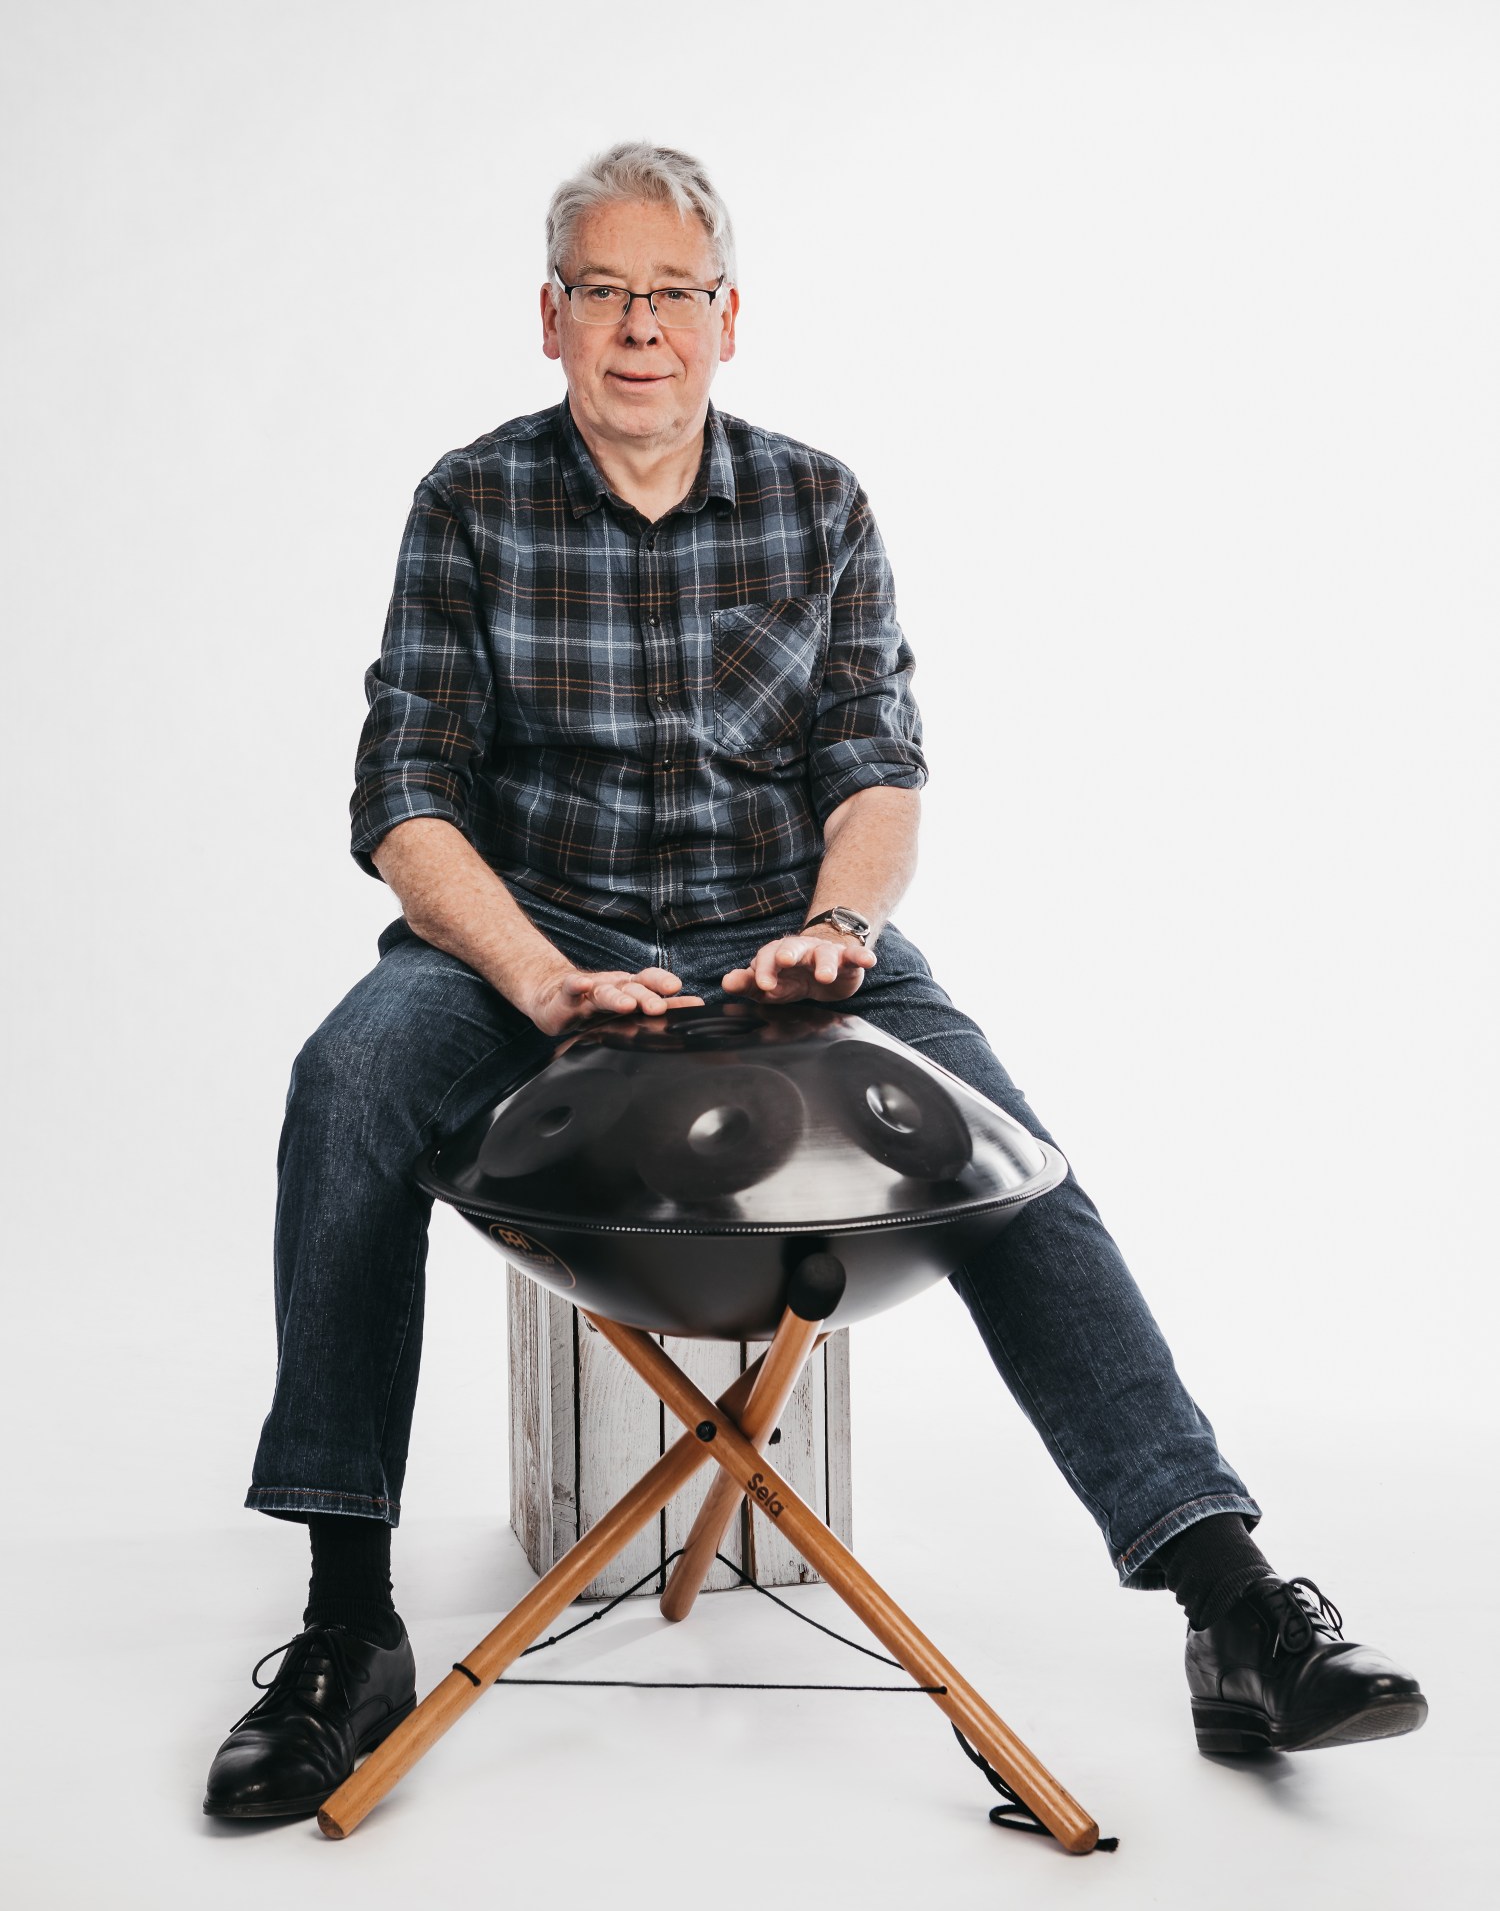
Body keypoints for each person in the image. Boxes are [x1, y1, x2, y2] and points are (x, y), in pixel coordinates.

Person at [203, 141, 1426, 1822]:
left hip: (779, 932)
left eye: (675, 294)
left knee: (1009, 1150)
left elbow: (876, 769)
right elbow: (405, 797)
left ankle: (1231, 1604)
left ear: (730, 317)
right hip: (527, 933)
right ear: (552, 318)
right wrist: (542, 980)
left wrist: (839, 930)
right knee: (345, 1082)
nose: (643, 328)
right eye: (607, 292)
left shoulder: (818, 502)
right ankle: (348, 1621)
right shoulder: (469, 502)